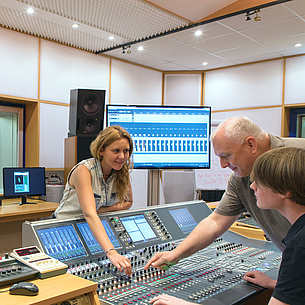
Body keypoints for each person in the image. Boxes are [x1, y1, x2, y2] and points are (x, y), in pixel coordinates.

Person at [149, 147, 305, 305]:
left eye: (261, 181)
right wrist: (278, 286)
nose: (252, 186)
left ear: (285, 191)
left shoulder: (299, 248)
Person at [145, 116, 305, 269]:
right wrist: (176, 254)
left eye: (226, 156)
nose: (222, 165)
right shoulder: (240, 178)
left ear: (251, 144)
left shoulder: (300, 155)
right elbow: (216, 221)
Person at [54, 125, 133, 276]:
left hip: (92, 227)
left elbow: (128, 202)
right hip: (64, 227)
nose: (122, 156)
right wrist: (111, 252)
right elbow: (90, 214)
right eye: (116, 151)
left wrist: (105, 210)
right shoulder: (84, 170)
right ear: (101, 150)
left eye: (126, 151)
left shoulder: (121, 171)